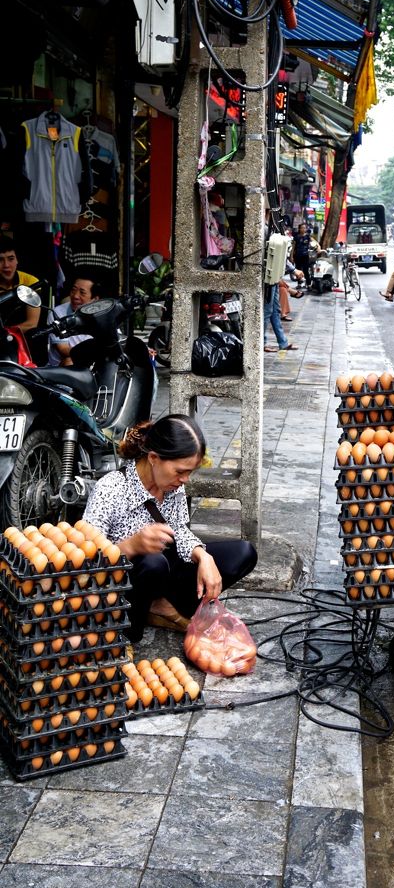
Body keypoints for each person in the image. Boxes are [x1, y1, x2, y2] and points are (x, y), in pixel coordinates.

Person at [83, 414, 258, 642]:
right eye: (180, 471)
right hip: (123, 587)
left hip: (164, 576)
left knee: (243, 553)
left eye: (189, 472)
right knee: (152, 562)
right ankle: (128, 632)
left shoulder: (173, 486)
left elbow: (179, 531)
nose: (184, 480)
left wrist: (203, 556)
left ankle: (160, 606)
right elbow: (85, 562)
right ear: (154, 458)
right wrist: (131, 546)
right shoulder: (111, 489)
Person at [48, 271, 101, 365]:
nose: (75, 296)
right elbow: (64, 350)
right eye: (73, 290)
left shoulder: (103, 315)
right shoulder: (57, 313)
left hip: (94, 364)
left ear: (95, 299)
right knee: (69, 361)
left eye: (82, 293)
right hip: (65, 366)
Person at [0, 240, 40, 332]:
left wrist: (4, 333)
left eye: (11, 259)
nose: (6, 265)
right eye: (0, 260)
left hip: (23, 336)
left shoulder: (30, 282)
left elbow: (32, 323)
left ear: (17, 260)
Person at [264, 283, 298, 352]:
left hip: (275, 280)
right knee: (267, 312)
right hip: (270, 281)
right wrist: (293, 271)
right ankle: (262, 344)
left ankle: (283, 343)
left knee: (275, 312)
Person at [292, 222, 312, 287]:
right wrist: (291, 256)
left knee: (306, 270)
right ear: (299, 229)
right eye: (302, 228)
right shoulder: (296, 237)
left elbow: (313, 243)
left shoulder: (308, 236)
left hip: (305, 256)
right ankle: (299, 283)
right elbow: (293, 247)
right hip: (298, 255)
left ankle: (309, 284)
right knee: (298, 270)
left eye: (304, 228)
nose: (303, 229)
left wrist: (318, 248)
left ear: (306, 229)